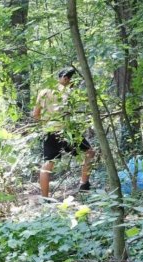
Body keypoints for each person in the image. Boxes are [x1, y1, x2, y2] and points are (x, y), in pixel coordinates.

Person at [33, 68, 95, 197]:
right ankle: (84, 184)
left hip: (49, 131)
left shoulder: (43, 92)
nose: (71, 84)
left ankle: (45, 198)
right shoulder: (67, 92)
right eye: (71, 80)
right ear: (66, 78)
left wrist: (46, 123)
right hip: (66, 130)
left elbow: (36, 114)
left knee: (48, 163)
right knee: (89, 152)